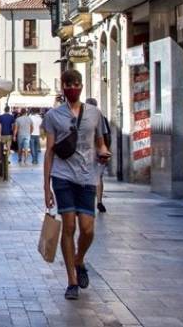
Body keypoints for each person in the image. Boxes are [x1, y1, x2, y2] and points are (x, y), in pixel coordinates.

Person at [43, 69, 111, 300]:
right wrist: (46, 188)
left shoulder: (95, 114)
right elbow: (50, 152)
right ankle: (71, 280)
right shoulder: (53, 116)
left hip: (88, 177)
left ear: (82, 86)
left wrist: (103, 152)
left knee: (88, 229)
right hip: (63, 177)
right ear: (62, 86)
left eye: (77, 83)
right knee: (69, 227)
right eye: (69, 83)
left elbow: (100, 142)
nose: (74, 86)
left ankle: (79, 258)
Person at [86, 98, 111, 213]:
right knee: (98, 177)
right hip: (99, 150)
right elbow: (106, 135)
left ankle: (87, 200)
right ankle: (99, 201)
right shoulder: (101, 117)